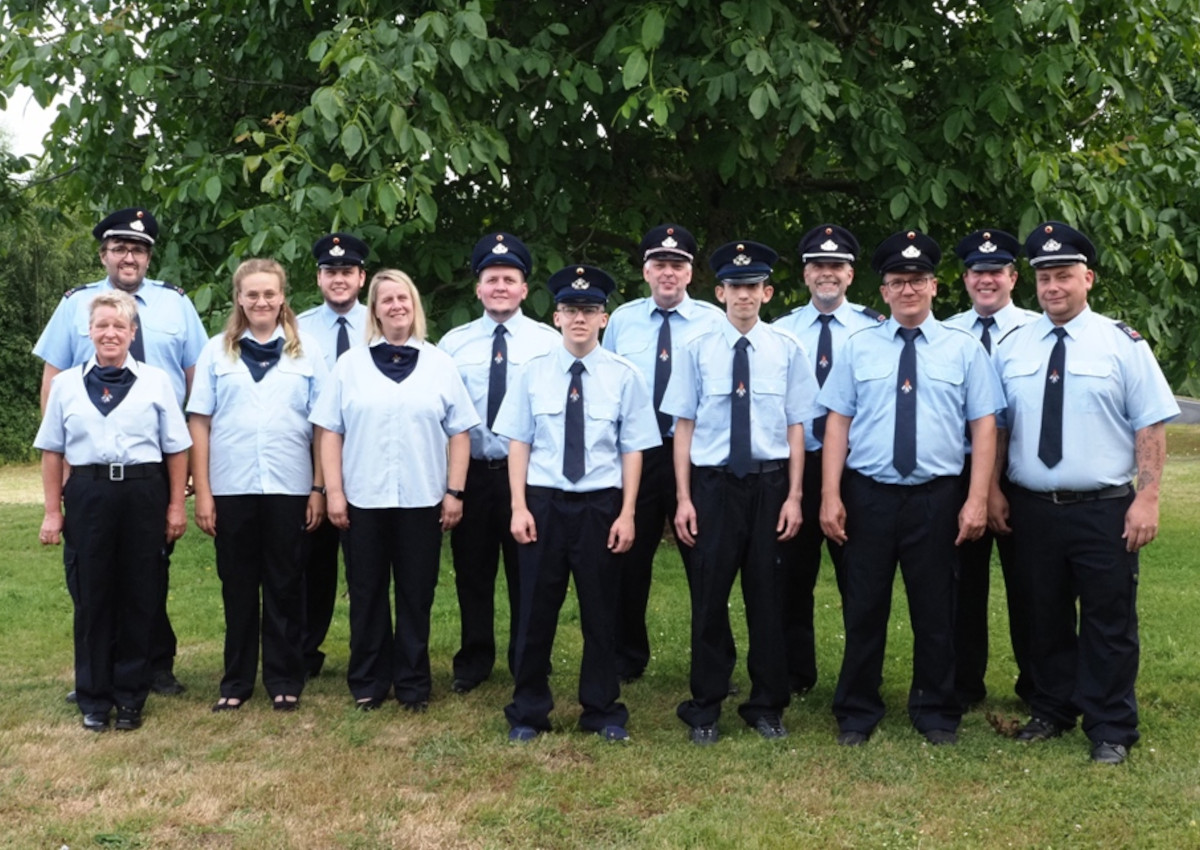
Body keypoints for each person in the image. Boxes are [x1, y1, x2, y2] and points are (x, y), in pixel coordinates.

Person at [990, 222, 1179, 765]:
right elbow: (1002, 426)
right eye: (1045, 277)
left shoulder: (1123, 344)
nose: (1053, 287)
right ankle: (1052, 708)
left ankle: (1110, 726)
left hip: (1103, 509)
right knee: (1041, 614)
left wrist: (1148, 498)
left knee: (1108, 619)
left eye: (1065, 276)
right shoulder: (1014, 345)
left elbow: (1150, 427)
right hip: (1032, 507)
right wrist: (996, 491)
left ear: (1088, 279)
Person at [818, 229, 1002, 747]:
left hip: (936, 497)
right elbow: (837, 422)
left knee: (936, 610)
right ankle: (856, 710)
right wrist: (831, 494)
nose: (908, 290)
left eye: (918, 280)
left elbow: (983, 426)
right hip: (869, 493)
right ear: (883, 291)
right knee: (864, 606)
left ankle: (936, 710)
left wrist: (977, 498)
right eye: (898, 282)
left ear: (935, 287)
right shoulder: (857, 348)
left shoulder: (963, 350)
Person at [33, 207, 207, 699]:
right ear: (104, 253)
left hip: (157, 460)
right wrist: (66, 455)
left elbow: (195, 384)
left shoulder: (176, 305)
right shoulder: (76, 305)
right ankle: (101, 669)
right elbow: (53, 380)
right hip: (91, 462)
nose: (129, 257)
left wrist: (190, 464)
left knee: (149, 566)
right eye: (119, 248)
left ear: (149, 256)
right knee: (92, 572)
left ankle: (154, 664)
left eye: (138, 249)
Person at [494, 264, 660, 743]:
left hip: (599, 506)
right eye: (570, 310)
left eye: (589, 311)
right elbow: (519, 443)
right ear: (557, 317)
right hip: (544, 504)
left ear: (603, 319)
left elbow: (632, 449)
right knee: (534, 610)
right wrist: (519, 506)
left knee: (601, 608)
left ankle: (602, 709)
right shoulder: (532, 374)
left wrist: (628, 513)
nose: (580, 319)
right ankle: (528, 711)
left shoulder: (625, 377)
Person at [662, 240, 819, 745]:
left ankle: (767, 704)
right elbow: (683, 427)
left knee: (768, 595)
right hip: (713, 485)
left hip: (770, 483)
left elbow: (797, 427)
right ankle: (705, 706)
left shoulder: (788, 351)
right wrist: (683, 499)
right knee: (709, 596)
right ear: (720, 291)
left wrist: (795, 496)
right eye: (735, 287)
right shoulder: (697, 351)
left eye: (754, 287)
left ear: (767, 292)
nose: (744, 296)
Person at [310, 269, 478, 711]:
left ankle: (413, 683)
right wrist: (334, 492)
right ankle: (368, 681)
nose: (396, 306)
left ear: (414, 304)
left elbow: (460, 432)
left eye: (403, 298)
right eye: (386, 300)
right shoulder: (351, 365)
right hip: (362, 500)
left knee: (415, 594)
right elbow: (330, 431)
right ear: (375, 309)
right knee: (365, 594)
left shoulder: (440, 364)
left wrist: (454, 492)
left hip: (422, 500)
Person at [188, 259, 329, 712]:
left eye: (269, 293)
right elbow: (201, 423)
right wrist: (204, 492)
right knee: (239, 586)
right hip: (232, 487)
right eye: (252, 295)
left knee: (287, 585)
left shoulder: (308, 351)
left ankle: (285, 678)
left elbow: (324, 426)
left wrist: (319, 488)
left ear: (283, 296)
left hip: (291, 486)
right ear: (239, 299)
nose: (261, 302)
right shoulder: (216, 352)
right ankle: (236, 681)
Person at [601, 224, 727, 684]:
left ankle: (713, 661)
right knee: (629, 560)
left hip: (697, 452)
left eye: (678, 265)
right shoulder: (621, 321)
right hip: (639, 451)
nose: (668, 273)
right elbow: (604, 380)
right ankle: (625, 656)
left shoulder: (717, 320)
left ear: (691, 272)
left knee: (707, 561)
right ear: (645, 271)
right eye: (660, 265)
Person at [438, 233, 561, 694]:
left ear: (525, 289)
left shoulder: (549, 342)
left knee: (529, 573)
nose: (500, 287)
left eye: (510, 280)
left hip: (528, 477)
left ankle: (527, 658)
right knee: (473, 572)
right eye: (492, 280)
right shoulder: (453, 344)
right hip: (473, 473)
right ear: (478, 288)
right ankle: (474, 660)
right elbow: (445, 416)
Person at [772, 224, 883, 696]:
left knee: (858, 578)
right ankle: (796, 674)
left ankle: (858, 678)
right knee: (790, 576)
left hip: (854, 467)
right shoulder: (779, 331)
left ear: (851, 274)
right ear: (805, 273)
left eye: (836, 266)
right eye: (818, 265)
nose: (827, 274)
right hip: (796, 465)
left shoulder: (877, 329)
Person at [944, 229, 1039, 708]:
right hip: (961, 470)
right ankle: (963, 685)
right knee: (962, 585)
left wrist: (999, 484)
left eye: (996, 272)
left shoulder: (1039, 330)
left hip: (1024, 475)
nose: (987, 281)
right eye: (977, 273)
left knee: (1030, 584)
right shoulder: (946, 333)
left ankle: (1037, 685)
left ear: (1013, 277)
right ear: (964, 279)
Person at [295, 232, 370, 681]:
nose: (338, 279)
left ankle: (369, 650)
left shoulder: (382, 321)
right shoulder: (297, 329)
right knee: (313, 562)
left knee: (365, 563)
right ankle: (305, 650)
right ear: (319, 277)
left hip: (365, 456)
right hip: (310, 458)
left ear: (362, 277)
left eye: (347, 272)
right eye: (330, 272)